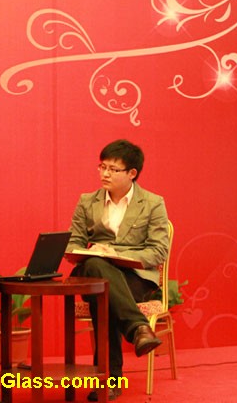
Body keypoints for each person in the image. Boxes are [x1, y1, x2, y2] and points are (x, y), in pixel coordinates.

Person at [68, 139, 169, 401]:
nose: (105, 174)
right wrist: (89, 252)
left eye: (113, 169)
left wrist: (118, 255)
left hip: (135, 278)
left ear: (132, 173)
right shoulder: (87, 201)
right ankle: (137, 328)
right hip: (93, 271)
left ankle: (108, 380)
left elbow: (158, 251)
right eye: (102, 167)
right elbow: (73, 243)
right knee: (96, 267)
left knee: (103, 295)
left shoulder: (152, 203)